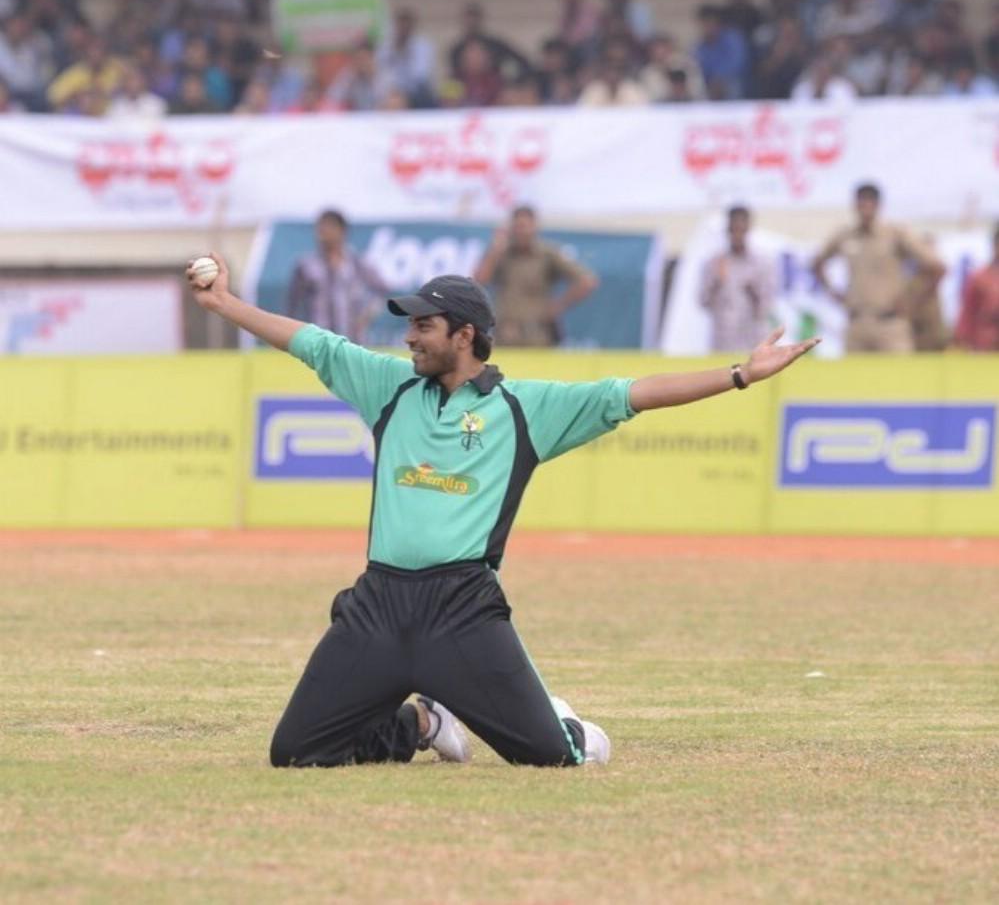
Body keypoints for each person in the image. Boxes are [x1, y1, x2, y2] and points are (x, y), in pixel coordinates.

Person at [186, 255, 819, 769]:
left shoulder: (524, 408)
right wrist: (222, 304)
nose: (408, 337)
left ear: (464, 335)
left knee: (553, 758)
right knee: (295, 752)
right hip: (378, 603)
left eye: (423, 326)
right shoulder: (390, 386)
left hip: (461, 609)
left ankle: (568, 722)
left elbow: (637, 394)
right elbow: (311, 343)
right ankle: (426, 721)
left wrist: (740, 374)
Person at [812, 183, 945, 353]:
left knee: (899, 378)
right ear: (855, 205)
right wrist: (834, 293)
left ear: (878, 205)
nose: (865, 209)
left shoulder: (894, 234)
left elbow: (935, 267)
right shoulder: (846, 235)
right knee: (852, 378)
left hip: (890, 324)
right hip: (856, 323)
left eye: (870, 203)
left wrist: (911, 298)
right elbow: (817, 263)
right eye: (862, 203)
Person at [474, 205, 598, 347]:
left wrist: (558, 306)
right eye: (518, 226)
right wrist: (495, 250)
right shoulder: (501, 254)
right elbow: (479, 282)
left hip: (537, 335)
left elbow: (587, 281)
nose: (522, 231)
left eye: (525, 226)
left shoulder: (547, 254)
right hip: (505, 334)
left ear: (535, 227)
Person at [286, 210, 389, 342]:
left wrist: (366, 317)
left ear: (342, 231)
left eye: (329, 227)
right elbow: (292, 305)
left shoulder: (357, 263)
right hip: (318, 341)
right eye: (320, 228)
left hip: (352, 340)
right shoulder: (306, 265)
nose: (323, 233)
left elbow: (383, 291)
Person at [700, 206, 777, 352]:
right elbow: (703, 302)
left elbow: (767, 307)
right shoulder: (715, 263)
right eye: (733, 229)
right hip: (723, 341)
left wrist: (753, 291)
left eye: (741, 229)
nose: (737, 235)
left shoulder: (762, 264)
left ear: (748, 229)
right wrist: (716, 283)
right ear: (727, 230)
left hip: (753, 340)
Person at [954, 224, 999, 352]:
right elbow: (968, 311)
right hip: (986, 341)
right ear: (994, 246)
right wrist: (962, 341)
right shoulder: (978, 277)